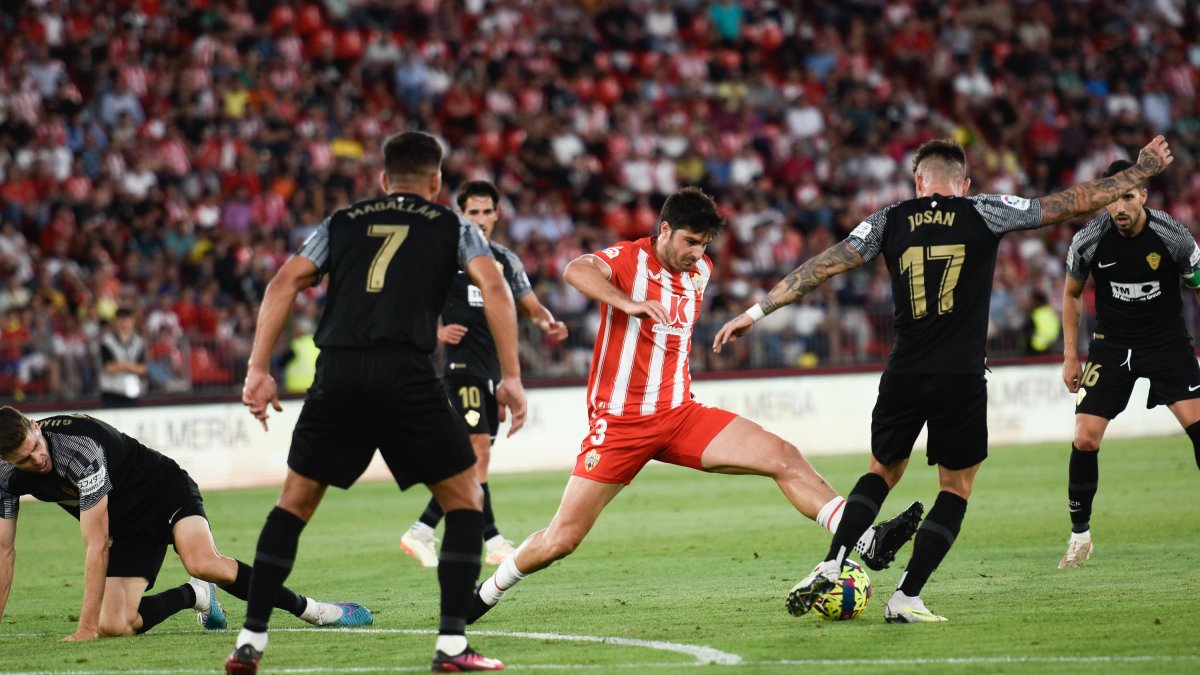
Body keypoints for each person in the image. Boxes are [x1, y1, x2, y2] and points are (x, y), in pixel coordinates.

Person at [713, 136, 1173, 623]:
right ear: (964, 183)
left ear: (918, 181)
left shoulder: (889, 219)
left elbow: (824, 265)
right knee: (955, 488)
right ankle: (906, 597)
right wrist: (1138, 172)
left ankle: (833, 562)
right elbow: (1066, 204)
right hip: (961, 375)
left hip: (904, 370)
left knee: (880, 472)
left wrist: (755, 312)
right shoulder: (985, 210)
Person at [466, 186, 924, 626]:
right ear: (664, 229)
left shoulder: (700, 270)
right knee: (562, 539)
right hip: (622, 424)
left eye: (704, 244)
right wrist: (630, 303)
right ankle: (485, 593)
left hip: (680, 414)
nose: (696, 253)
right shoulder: (629, 259)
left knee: (783, 456)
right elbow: (575, 270)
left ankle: (866, 539)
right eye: (689, 241)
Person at [228, 131, 527, 674]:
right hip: (404, 372)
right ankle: (452, 647)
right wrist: (511, 376)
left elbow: (282, 283)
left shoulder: (342, 222)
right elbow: (496, 288)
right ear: (436, 181)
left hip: (337, 372)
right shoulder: (454, 225)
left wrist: (257, 369)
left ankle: (250, 640)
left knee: (292, 504)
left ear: (385, 179)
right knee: (465, 499)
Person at [0, 407, 370, 641]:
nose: (38, 459)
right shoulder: (5, 477)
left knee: (203, 562)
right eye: (25, 459)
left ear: (35, 425)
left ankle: (313, 610)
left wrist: (84, 629)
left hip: (165, 491)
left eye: (36, 446)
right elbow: (4, 551)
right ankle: (197, 596)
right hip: (128, 527)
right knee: (115, 625)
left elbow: (96, 546)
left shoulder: (78, 449)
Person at [401, 180, 568, 569]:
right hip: (460, 369)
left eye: (486, 211)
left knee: (470, 460)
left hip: (494, 373)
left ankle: (422, 529)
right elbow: (409, 301)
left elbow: (532, 307)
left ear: (496, 214)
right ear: (460, 214)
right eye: (472, 212)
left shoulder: (504, 260)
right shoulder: (443, 255)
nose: (479, 218)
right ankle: (491, 539)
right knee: (478, 450)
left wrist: (548, 323)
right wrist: (436, 330)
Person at [1058, 158, 1200, 569]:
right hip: (1111, 347)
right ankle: (1080, 537)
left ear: (1143, 196)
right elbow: (1071, 295)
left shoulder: (1172, 235)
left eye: (1127, 197)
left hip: (1167, 344)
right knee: (1085, 438)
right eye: (1112, 198)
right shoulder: (1088, 239)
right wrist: (1070, 355)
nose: (1119, 207)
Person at [98, 307, 146, 407]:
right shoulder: (106, 341)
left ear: (133, 322)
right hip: (111, 391)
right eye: (121, 320)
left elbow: (142, 368)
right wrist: (131, 367)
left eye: (127, 320)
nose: (124, 324)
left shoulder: (139, 342)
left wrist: (121, 365)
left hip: (132, 391)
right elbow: (109, 368)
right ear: (115, 322)